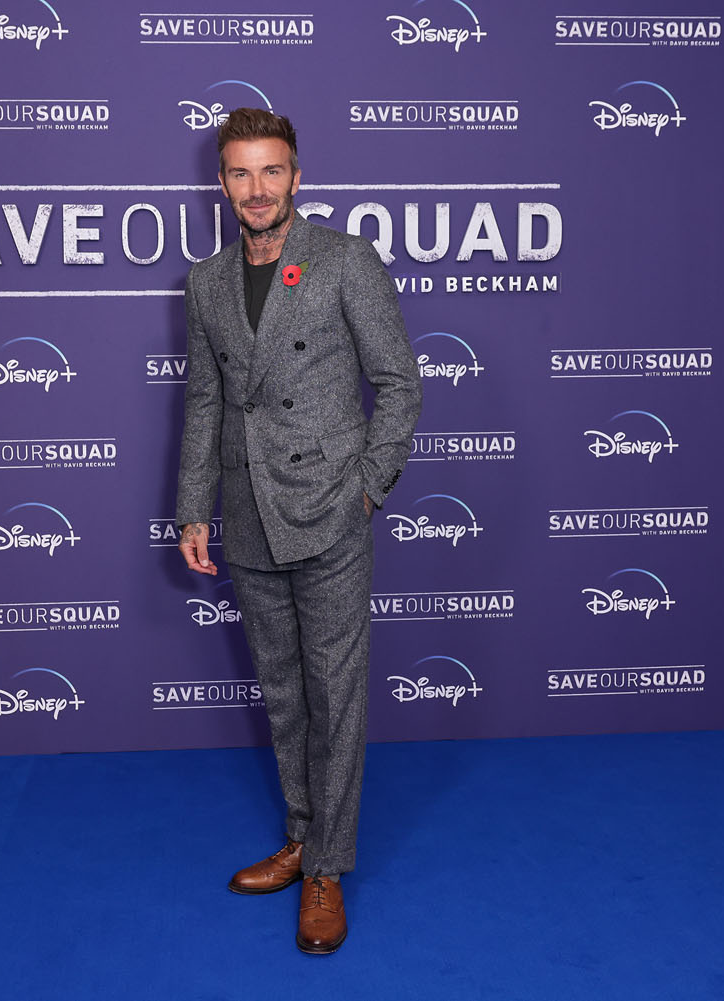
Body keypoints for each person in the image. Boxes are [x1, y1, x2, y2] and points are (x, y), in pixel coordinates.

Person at [174, 107, 422, 955]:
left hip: (328, 511)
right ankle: (301, 834)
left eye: (271, 170)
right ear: (221, 183)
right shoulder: (206, 281)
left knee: (334, 696)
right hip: (247, 515)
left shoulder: (344, 258)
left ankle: (327, 868)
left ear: (296, 177)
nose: (257, 189)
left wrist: (367, 490)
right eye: (240, 173)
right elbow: (205, 400)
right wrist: (193, 505)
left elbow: (399, 383)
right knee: (283, 695)